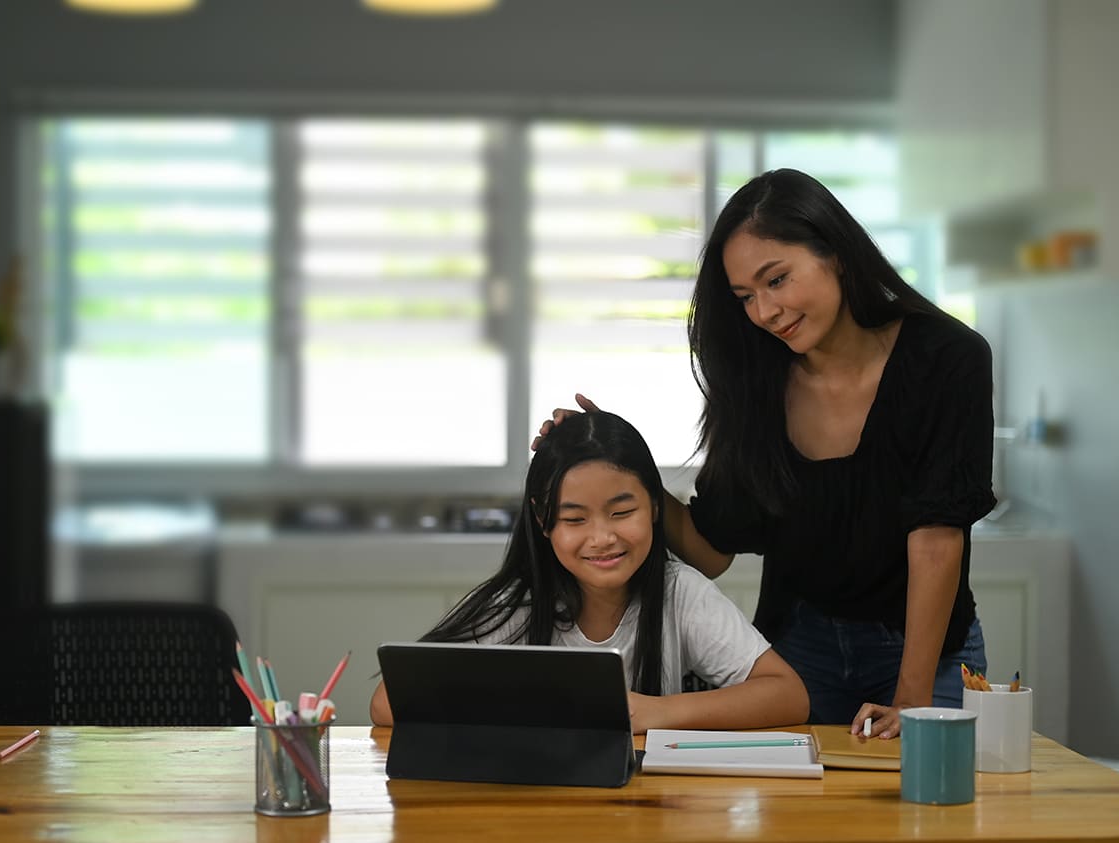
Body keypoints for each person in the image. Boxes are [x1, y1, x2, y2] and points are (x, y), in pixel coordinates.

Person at [533, 169, 995, 738]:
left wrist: (910, 699)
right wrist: (625, 470)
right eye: (746, 297)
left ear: (837, 253)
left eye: (776, 280)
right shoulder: (758, 380)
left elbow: (935, 541)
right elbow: (711, 552)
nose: (764, 312)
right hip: (801, 652)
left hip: (926, 656)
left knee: (929, 815)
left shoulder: (947, 358)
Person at [370, 410, 809, 734]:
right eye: (575, 520)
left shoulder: (680, 593)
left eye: (622, 512)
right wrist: (531, 710)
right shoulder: (519, 603)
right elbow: (388, 702)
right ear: (543, 522)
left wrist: (659, 712)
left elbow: (788, 695)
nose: (601, 538)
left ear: (655, 506)